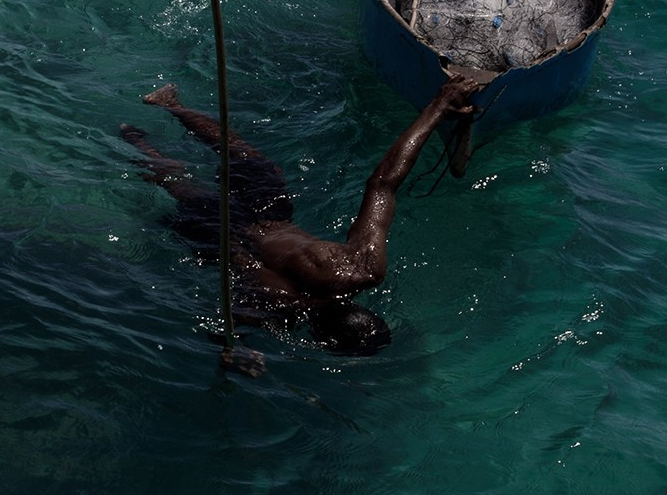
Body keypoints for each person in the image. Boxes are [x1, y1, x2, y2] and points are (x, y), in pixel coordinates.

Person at [120, 74, 482, 355]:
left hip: (266, 217)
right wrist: (239, 351)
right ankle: (134, 140)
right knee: (177, 185)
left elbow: (384, 182)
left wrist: (438, 106)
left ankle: (169, 105)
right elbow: (221, 328)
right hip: (219, 239)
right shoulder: (274, 314)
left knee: (245, 158)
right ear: (318, 336)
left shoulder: (361, 267)